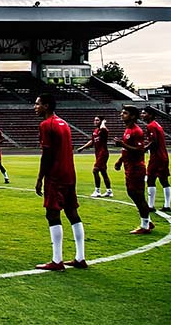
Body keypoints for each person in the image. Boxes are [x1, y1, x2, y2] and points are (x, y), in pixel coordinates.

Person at [33, 93, 86, 270]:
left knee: (52, 213)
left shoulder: (46, 125)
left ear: (46, 106)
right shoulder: (64, 124)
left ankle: (57, 260)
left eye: (37, 104)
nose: (35, 107)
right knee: (72, 213)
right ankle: (80, 257)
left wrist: (40, 178)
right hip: (69, 174)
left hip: (55, 176)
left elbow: (47, 154)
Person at [115, 105, 153, 234]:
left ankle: (145, 226)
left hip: (136, 168)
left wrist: (122, 144)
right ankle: (148, 220)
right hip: (129, 167)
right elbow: (127, 149)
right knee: (133, 193)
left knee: (137, 195)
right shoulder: (127, 129)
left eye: (125, 113)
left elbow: (140, 150)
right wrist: (120, 161)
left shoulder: (136, 131)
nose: (122, 115)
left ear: (132, 116)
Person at [141, 107, 171, 212]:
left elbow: (154, 142)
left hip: (157, 157)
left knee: (150, 179)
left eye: (144, 113)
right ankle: (167, 205)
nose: (142, 115)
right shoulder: (157, 125)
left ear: (150, 115)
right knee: (164, 180)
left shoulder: (151, 126)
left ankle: (150, 206)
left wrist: (144, 148)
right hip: (163, 156)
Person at [76, 116, 112, 198]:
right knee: (103, 172)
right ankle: (109, 191)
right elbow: (92, 141)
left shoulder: (104, 130)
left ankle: (97, 191)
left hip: (103, 153)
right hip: (98, 153)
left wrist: (103, 122)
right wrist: (82, 148)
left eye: (97, 120)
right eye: (95, 120)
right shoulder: (95, 131)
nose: (95, 121)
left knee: (95, 170)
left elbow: (103, 128)